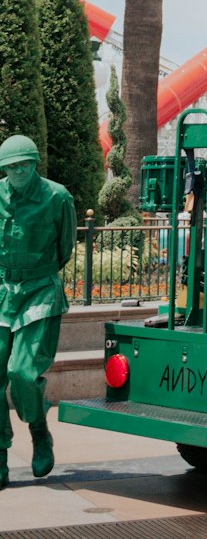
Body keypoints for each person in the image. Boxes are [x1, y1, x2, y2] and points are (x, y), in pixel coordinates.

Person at [0, 134, 76, 485]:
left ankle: (38, 429)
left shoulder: (57, 197)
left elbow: (65, 248)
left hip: (40, 290)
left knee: (22, 372)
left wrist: (37, 274)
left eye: (22, 166)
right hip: (2, 289)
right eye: (9, 167)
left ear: (34, 165)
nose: (16, 172)